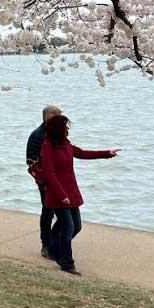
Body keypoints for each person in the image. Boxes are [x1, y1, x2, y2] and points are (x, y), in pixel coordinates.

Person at [40, 114, 120, 277]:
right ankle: (67, 263)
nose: (68, 129)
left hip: (71, 192)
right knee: (68, 228)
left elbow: (82, 153)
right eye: (65, 127)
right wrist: (62, 195)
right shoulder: (47, 147)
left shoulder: (65, 144)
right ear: (58, 129)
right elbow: (50, 174)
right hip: (58, 195)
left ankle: (53, 250)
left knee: (76, 226)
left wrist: (107, 153)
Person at [26, 104, 63, 257]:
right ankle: (46, 244)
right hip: (46, 183)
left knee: (65, 213)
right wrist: (44, 182)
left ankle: (54, 240)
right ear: (49, 117)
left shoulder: (57, 134)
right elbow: (31, 161)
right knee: (48, 212)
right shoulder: (37, 135)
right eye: (58, 118)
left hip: (60, 180)